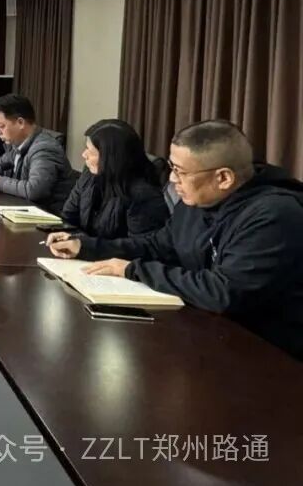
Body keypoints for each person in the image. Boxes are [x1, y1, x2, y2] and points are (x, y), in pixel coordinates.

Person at [49, 120, 303, 360]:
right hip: (206, 330)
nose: (172, 180)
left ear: (224, 178)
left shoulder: (274, 215)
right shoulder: (197, 201)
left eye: (180, 172)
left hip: (268, 353)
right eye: (172, 168)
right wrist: (86, 246)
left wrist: (132, 270)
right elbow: (157, 244)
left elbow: (224, 292)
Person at [57, 120, 169, 239]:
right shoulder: (90, 174)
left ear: (111, 158)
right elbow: (68, 216)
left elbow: (139, 246)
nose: (84, 155)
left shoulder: (144, 196)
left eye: (91, 152)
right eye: (86, 148)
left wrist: (85, 245)